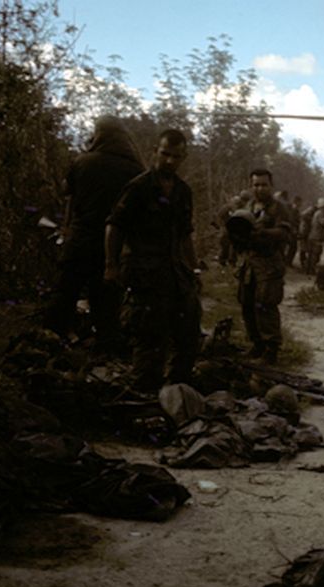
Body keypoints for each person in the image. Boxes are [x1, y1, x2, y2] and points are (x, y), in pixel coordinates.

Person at [104, 129, 202, 391]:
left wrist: (194, 268)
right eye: (165, 154)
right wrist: (111, 266)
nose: (170, 161)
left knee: (188, 332)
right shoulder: (139, 187)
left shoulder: (183, 191)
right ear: (155, 152)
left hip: (175, 273)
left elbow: (185, 235)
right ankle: (144, 395)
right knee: (149, 336)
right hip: (144, 272)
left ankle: (177, 390)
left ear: (184, 157)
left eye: (176, 156)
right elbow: (114, 227)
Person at [43, 116, 144, 348]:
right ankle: (107, 345)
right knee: (106, 298)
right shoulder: (135, 169)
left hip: (80, 239)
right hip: (112, 244)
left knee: (65, 291)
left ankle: (48, 340)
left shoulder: (83, 162)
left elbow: (66, 190)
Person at [229, 168, 292, 364]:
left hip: (269, 263)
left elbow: (286, 234)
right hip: (250, 264)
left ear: (271, 185)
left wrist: (261, 233)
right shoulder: (248, 206)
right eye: (256, 184)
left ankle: (270, 350)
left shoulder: (279, 208)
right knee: (247, 304)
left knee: (265, 305)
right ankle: (256, 345)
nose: (260, 188)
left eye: (264, 184)